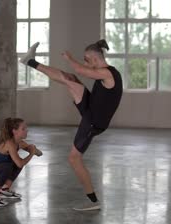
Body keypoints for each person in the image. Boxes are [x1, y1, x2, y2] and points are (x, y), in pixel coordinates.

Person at [20, 39, 123, 211]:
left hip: (94, 122)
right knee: (70, 79)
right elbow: (80, 71)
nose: (85, 63)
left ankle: (93, 202)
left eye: (86, 59)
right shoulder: (104, 71)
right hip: (91, 107)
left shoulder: (108, 74)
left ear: (95, 59)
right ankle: (29, 61)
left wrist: (70, 58)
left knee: (74, 158)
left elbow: (80, 69)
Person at [0, 117, 42, 207]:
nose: (27, 131)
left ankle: (5, 189)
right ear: (14, 131)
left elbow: (38, 152)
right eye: (23, 129)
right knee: (10, 165)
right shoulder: (9, 143)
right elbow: (21, 163)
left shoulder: (20, 143)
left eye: (26, 128)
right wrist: (31, 153)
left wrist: (34, 150)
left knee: (13, 163)